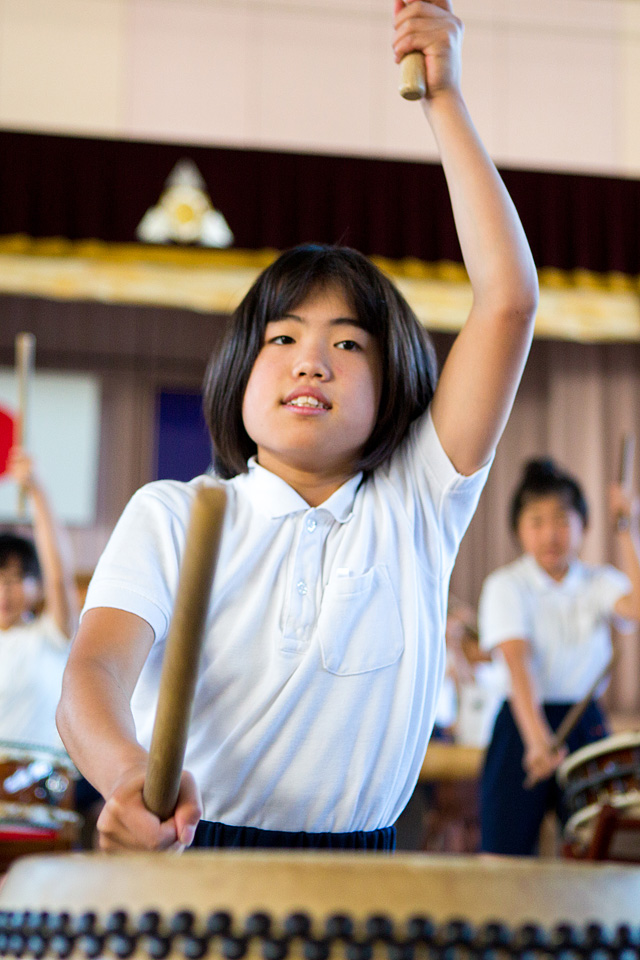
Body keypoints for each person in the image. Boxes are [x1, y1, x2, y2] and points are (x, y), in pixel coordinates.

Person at [56, 0, 539, 852]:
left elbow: (507, 302)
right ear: (239, 374)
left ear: (392, 390)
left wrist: (445, 98)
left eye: (347, 344)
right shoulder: (173, 515)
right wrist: (126, 772)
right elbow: (92, 674)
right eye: (282, 339)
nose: (310, 361)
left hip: (358, 875)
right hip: (193, 859)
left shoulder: (417, 503)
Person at [478, 458, 640, 856]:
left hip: (584, 724)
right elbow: (518, 663)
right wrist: (537, 740)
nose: (551, 534)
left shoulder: (598, 581)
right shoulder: (506, 585)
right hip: (521, 724)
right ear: (518, 529)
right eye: (537, 521)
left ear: (584, 526)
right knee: (505, 854)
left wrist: (627, 528)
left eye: (563, 521)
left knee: (594, 852)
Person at [0, 447, 78, 749]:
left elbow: (60, 577)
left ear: (38, 587)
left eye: (15, 580)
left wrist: (37, 491)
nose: (5, 592)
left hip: (41, 773)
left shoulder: (51, 635)